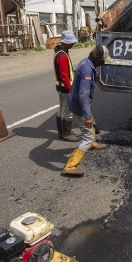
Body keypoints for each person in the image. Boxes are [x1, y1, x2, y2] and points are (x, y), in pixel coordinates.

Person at [61, 45, 113, 177]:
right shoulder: (87, 70)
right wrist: (86, 115)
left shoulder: (86, 62)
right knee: (88, 134)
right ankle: (70, 166)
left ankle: (92, 143)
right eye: (103, 60)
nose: (103, 63)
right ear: (97, 58)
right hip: (79, 105)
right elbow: (83, 94)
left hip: (77, 103)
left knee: (92, 123)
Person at [54, 30, 80, 142]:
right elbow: (64, 76)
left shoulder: (60, 52)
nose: (73, 44)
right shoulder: (63, 56)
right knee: (67, 112)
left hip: (60, 86)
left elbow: (66, 72)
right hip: (64, 87)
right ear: (66, 42)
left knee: (61, 110)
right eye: (71, 42)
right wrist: (71, 90)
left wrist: (73, 72)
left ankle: (62, 132)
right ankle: (66, 134)